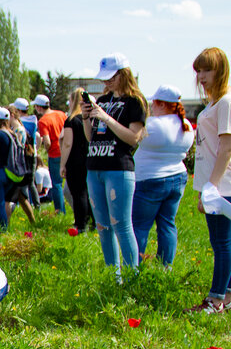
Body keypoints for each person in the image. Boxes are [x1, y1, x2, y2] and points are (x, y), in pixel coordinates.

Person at [188, 47, 231, 314]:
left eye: (207, 69)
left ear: (220, 70)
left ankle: (216, 300)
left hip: (221, 183)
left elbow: (227, 148)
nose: (201, 76)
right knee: (224, 240)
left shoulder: (227, 102)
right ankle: (227, 298)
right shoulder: (217, 101)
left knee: (221, 242)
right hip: (215, 182)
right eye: (198, 70)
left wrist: (211, 186)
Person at [82, 54, 147, 277]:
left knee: (121, 224)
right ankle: (113, 277)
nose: (106, 82)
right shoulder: (101, 101)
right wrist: (85, 117)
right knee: (102, 226)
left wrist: (106, 118)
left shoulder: (135, 102)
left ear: (123, 74)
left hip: (119, 168)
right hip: (95, 167)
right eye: (104, 78)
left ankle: (131, 278)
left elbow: (133, 137)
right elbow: (91, 138)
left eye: (111, 78)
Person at [132, 86, 195, 267]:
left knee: (141, 226)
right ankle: (165, 267)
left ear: (161, 104)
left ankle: (134, 267)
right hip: (177, 177)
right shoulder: (186, 125)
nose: (151, 106)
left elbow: (133, 138)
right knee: (167, 225)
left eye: (154, 103)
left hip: (149, 179)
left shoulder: (152, 125)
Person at [60, 88, 93, 233]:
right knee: (87, 192)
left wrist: (62, 164)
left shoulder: (71, 120)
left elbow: (67, 143)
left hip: (74, 160)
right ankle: (93, 221)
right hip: (88, 158)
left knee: (78, 193)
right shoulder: (88, 119)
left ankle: (80, 225)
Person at [32, 94, 66, 213]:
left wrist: (46, 149)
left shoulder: (43, 121)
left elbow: (47, 141)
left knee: (56, 184)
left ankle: (60, 211)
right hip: (66, 151)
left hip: (55, 153)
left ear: (39, 107)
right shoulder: (61, 114)